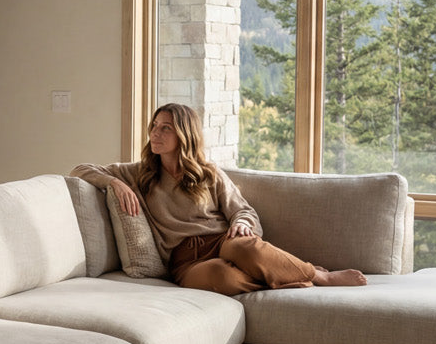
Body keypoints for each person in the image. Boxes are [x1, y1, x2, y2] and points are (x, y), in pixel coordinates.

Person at [72, 103, 366, 296]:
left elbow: (244, 210)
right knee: (221, 278)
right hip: (185, 261)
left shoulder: (208, 174)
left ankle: (319, 276)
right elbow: (80, 170)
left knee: (246, 247)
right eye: (154, 126)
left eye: (165, 128)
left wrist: (240, 223)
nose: (155, 133)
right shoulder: (139, 174)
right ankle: (290, 273)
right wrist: (114, 183)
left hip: (224, 242)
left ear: (184, 134)